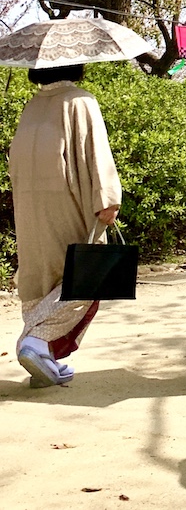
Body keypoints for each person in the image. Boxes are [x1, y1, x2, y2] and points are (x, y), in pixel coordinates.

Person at [10, 64, 122, 388]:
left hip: (30, 205)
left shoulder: (32, 106)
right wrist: (107, 198)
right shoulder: (80, 100)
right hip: (66, 202)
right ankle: (36, 342)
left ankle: (46, 357)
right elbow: (96, 154)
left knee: (41, 276)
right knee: (87, 275)